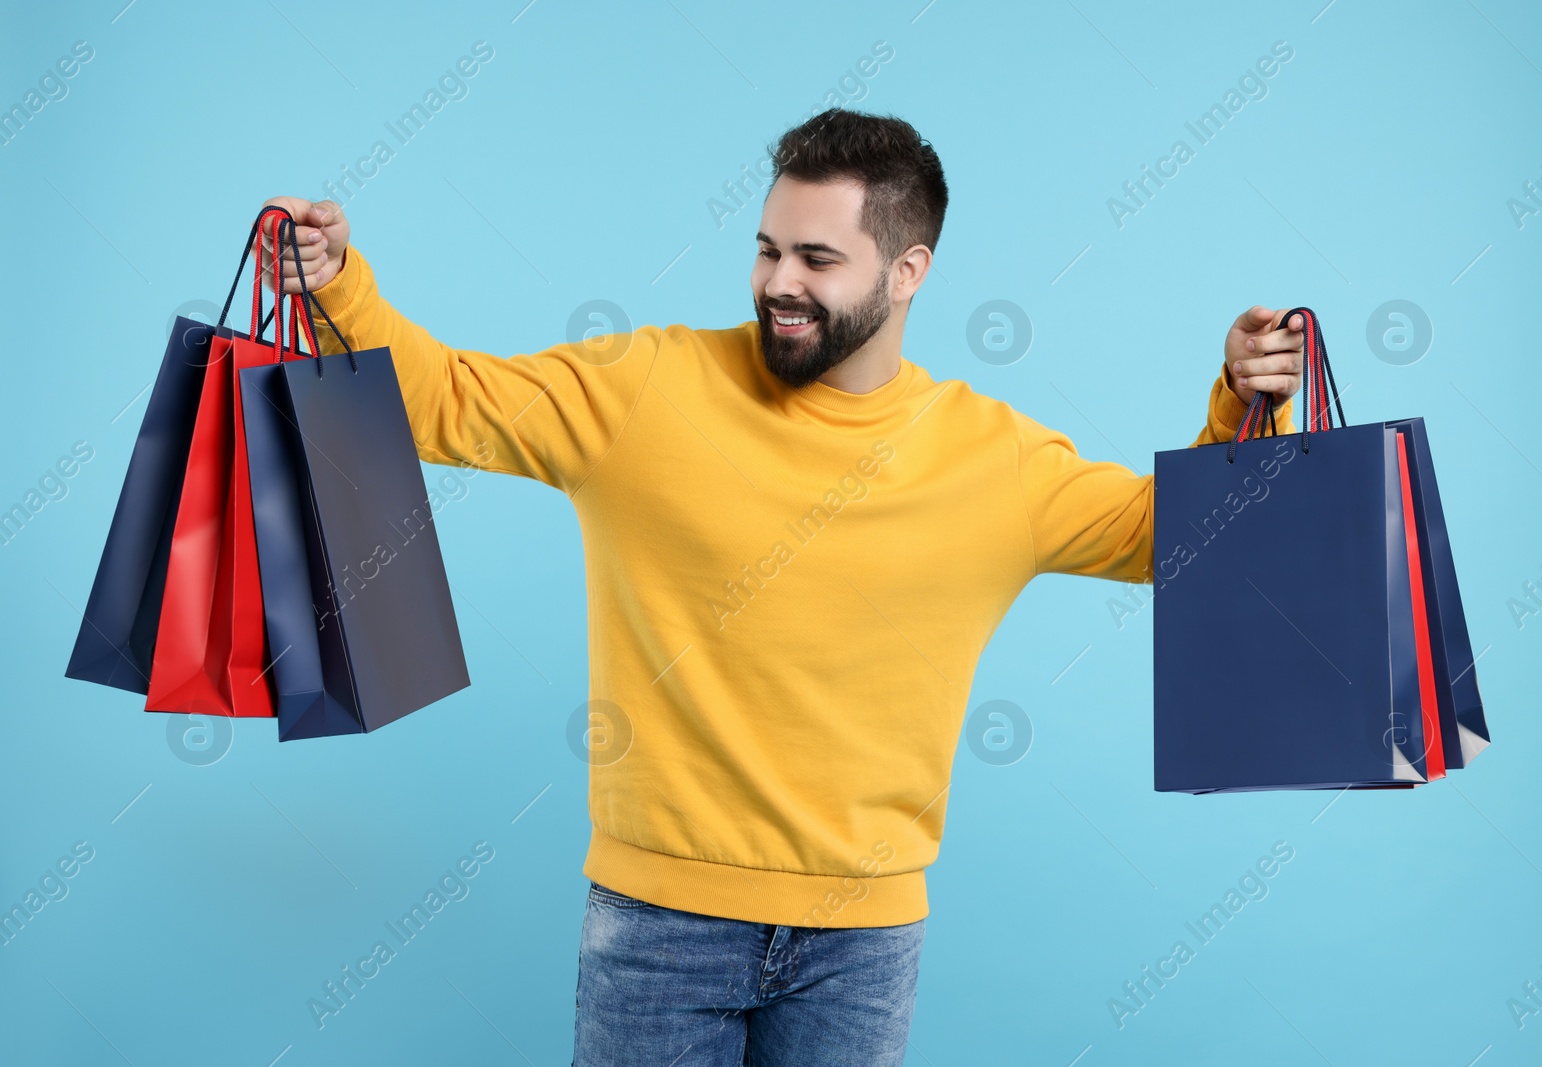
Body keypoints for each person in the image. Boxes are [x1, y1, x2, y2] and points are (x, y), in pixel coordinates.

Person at [263, 107, 1303, 1067]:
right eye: (766, 249)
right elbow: (444, 400)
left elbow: (1174, 538)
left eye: (816, 256)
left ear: (908, 271)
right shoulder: (646, 389)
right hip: (656, 923)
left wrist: (1243, 406)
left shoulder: (994, 459)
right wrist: (338, 282)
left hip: (864, 939)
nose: (777, 281)